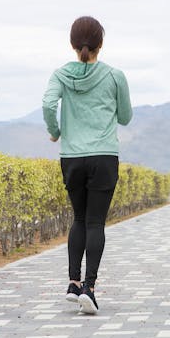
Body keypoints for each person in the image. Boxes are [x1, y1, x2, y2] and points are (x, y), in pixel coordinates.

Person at [42, 16, 133, 314]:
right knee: (95, 222)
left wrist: (55, 132)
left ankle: (72, 282)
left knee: (78, 218)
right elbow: (125, 117)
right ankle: (89, 290)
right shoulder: (115, 76)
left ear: (72, 44)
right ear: (101, 44)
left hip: (71, 157)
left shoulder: (60, 75)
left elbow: (47, 104)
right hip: (104, 156)